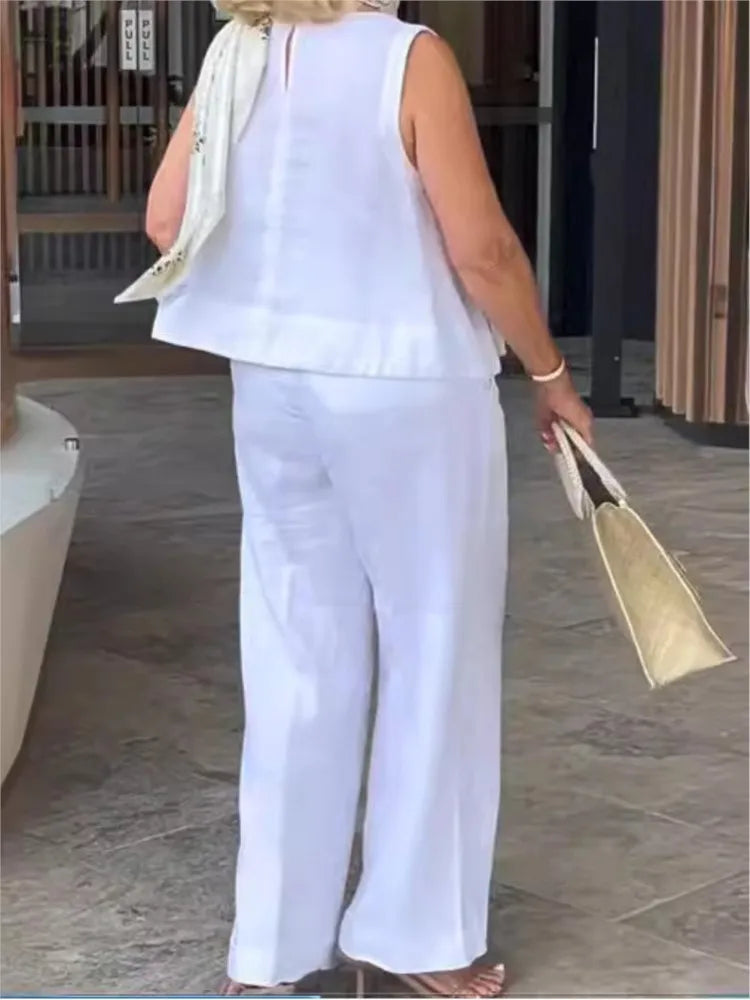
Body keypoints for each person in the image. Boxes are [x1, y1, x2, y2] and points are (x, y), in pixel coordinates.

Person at [141, 1, 593, 996]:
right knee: (436, 646)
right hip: (406, 380)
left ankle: (272, 949)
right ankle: (414, 934)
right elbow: (482, 249)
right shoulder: (408, 56)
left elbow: (165, 221)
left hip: (271, 380)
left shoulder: (237, 46)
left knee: (295, 650)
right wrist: (551, 372)